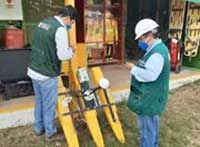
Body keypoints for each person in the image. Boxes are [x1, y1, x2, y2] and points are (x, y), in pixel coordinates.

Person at [27, 5, 78, 139]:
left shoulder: (43, 22)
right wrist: (72, 50)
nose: (71, 26)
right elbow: (63, 56)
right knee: (49, 104)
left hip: (34, 69)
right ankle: (50, 131)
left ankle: (38, 128)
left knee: (39, 101)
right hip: (46, 73)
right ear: (67, 18)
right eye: (71, 23)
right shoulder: (60, 29)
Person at [127, 18, 170, 147]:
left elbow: (150, 75)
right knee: (152, 125)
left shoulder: (157, 53)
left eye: (141, 38)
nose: (140, 42)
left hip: (149, 98)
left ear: (150, 35)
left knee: (147, 129)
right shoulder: (156, 50)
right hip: (153, 96)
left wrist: (133, 69)